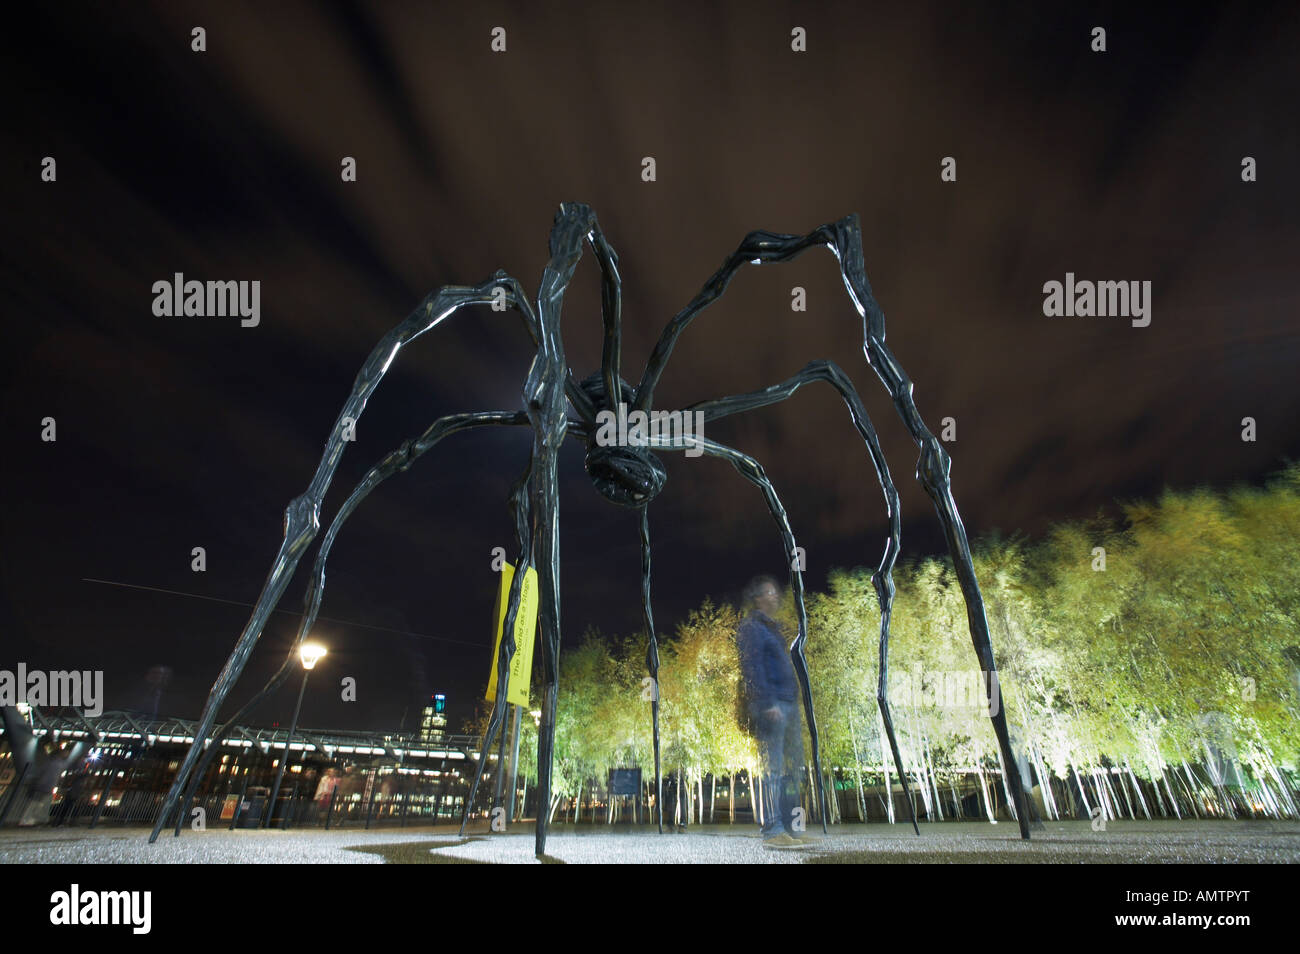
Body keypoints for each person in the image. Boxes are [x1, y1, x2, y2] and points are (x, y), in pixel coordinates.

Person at [735, 575, 814, 847]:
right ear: (757, 598)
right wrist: (767, 702)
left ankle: (792, 828)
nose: (775, 596)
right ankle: (772, 829)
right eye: (769, 592)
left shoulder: (773, 629)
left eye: (775, 592)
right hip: (770, 706)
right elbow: (752, 668)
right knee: (773, 768)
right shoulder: (751, 628)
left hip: (788, 704)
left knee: (793, 770)